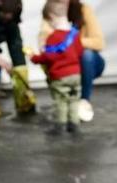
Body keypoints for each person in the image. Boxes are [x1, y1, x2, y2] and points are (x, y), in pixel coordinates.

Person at [40, 0, 107, 121]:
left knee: (87, 55)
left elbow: (99, 43)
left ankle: (84, 101)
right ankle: (63, 103)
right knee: (50, 58)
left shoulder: (84, 9)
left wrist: (71, 44)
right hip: (65, 66)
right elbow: (44, 46)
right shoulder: (51, 10)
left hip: (85, 63)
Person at [32, 4, 85, 134]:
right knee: (73, 99)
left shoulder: (53, 37)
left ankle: (60, 125)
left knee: (61, 100)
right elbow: (80, 52)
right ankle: (74, 124)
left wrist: (34, 58)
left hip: (60, 76)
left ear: (51, 17)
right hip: (76, 74)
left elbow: (48, 57)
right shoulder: (75, 35)